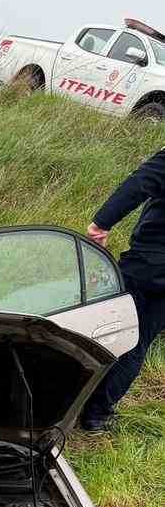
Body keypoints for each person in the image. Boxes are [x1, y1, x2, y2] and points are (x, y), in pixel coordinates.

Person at [80, 147, 165, 432]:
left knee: (107, 330)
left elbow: (141, 182)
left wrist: (101, 223)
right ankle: (97, 415)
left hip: (147, 264)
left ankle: (70, 401)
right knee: (139, 341)